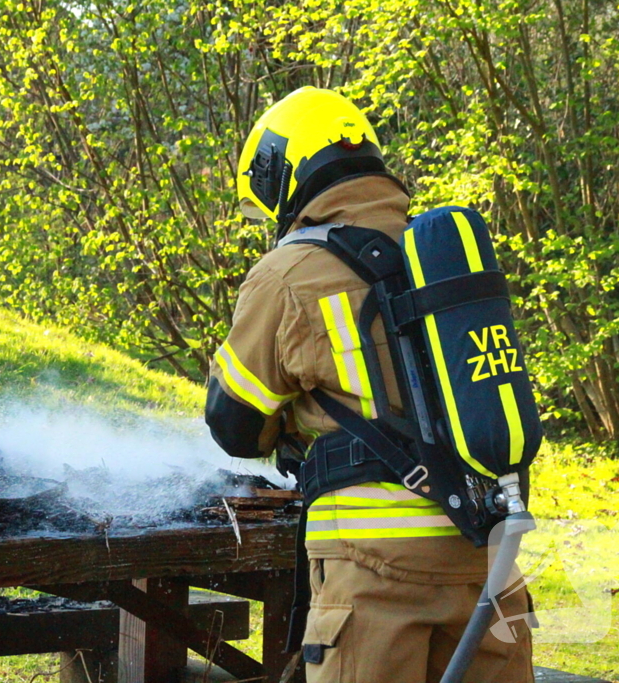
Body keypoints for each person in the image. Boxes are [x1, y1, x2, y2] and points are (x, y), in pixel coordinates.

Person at [204, 86, 533, 683]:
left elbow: (235, 424)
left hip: (373, 566)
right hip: (487, 555)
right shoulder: (439, 256)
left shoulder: (288, 273)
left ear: (284, 172)